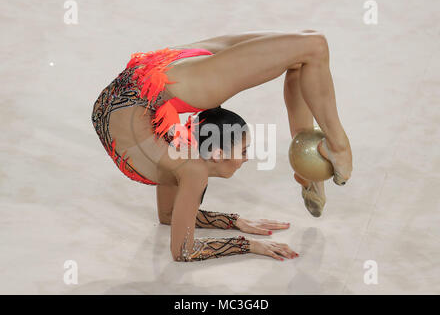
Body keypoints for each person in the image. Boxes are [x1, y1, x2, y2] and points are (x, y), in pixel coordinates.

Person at [91, 30, 353, 262]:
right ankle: (335, 147)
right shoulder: (185, 160)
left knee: (310, 47)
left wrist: (234, 222)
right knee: (311, 47)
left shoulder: (182, 156)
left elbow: (171, 217)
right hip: (147, 79)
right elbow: (183, 250)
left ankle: (318, 157)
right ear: (216, 153)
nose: (248, 158)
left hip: (152, 79)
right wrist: (248, 243)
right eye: (242, 151)